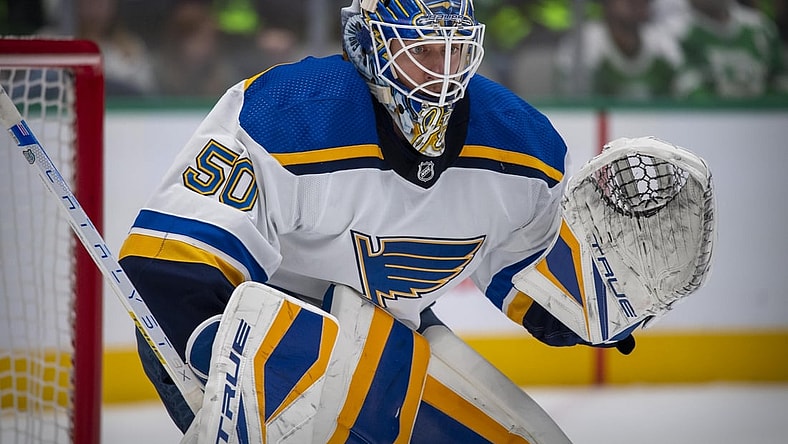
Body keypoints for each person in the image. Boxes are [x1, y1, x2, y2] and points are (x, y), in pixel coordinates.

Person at [118, 0, 634, 437]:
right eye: (423, 51)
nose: (443, 74)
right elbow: (169, 270)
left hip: (380, 340)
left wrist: (604, 304)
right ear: (370, 48)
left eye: (455, 50)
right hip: (243, 336)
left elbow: (537, 286)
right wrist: (232, 367)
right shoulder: (286, 114)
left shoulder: (522, 145)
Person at [554, 0, 696, 99]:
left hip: (658, 132)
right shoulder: (585, 43)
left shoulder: (662, 42)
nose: (638, 2)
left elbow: (690, 89)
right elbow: (576, 103)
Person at [668, 0, 788, 98]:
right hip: (707, 121)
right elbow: (688, 89)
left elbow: (781, 81)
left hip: (765, 120)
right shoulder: (673, 34)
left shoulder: (761, 28)